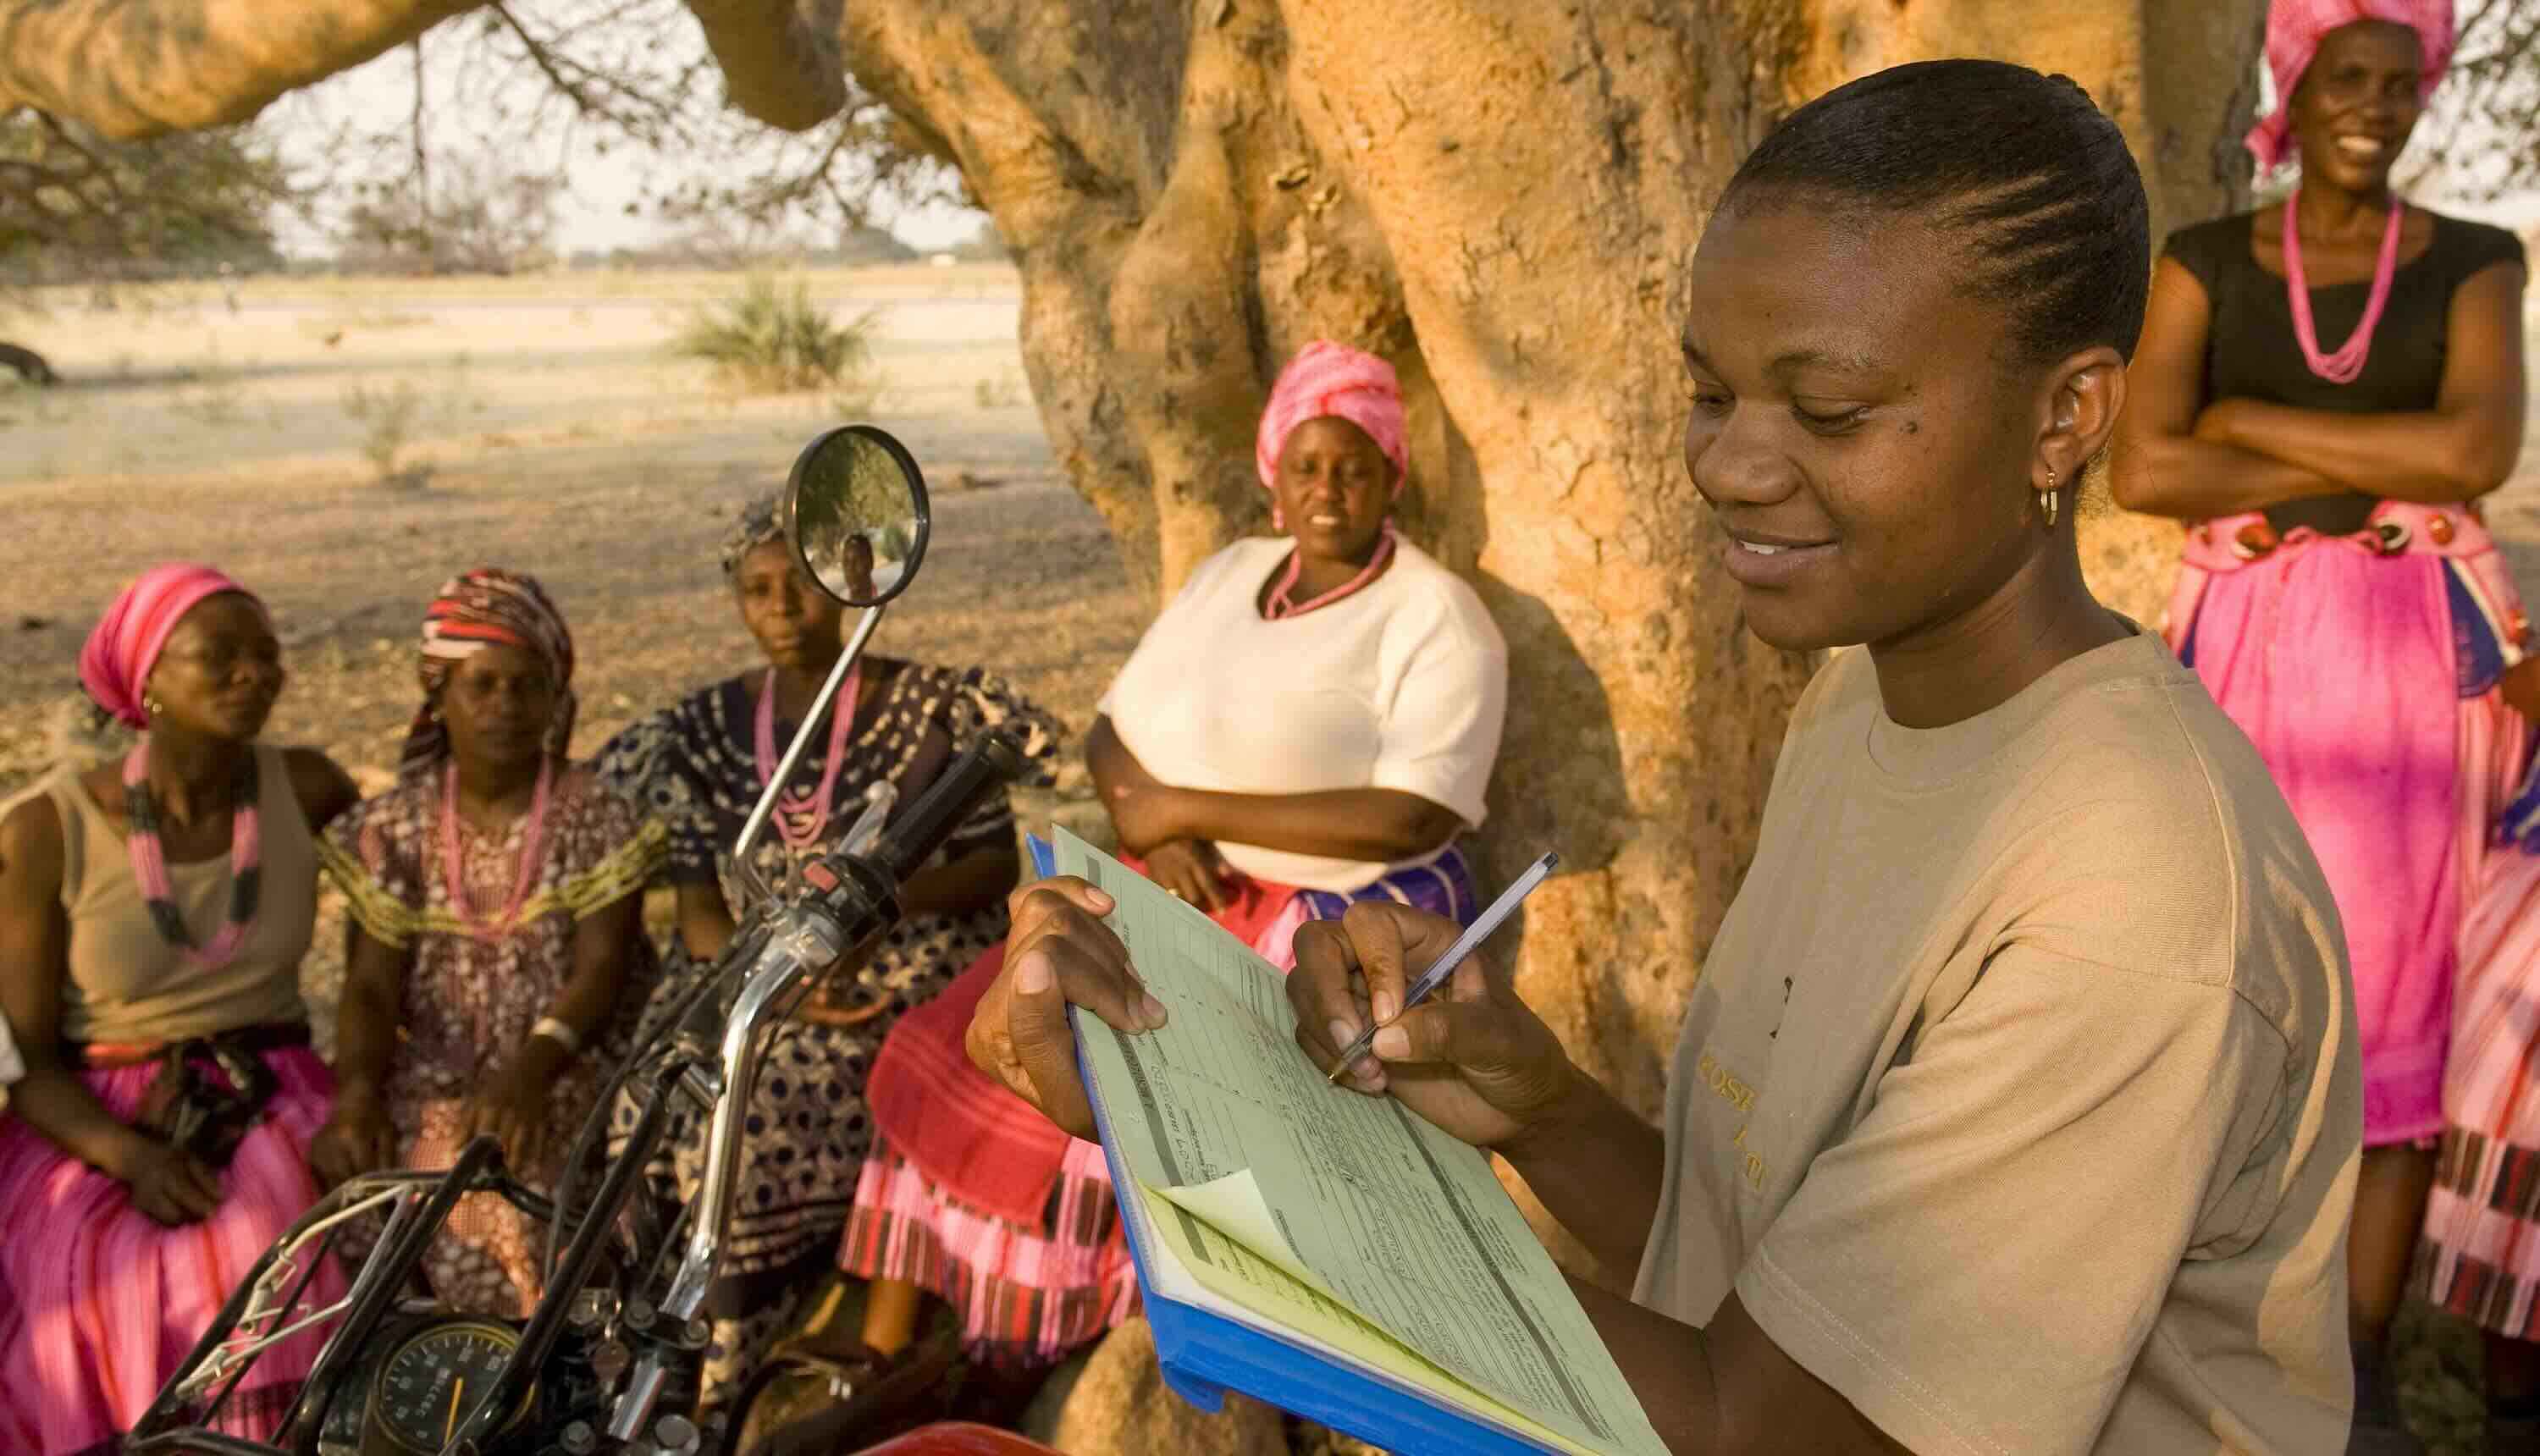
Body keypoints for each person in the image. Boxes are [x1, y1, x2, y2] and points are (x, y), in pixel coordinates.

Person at [967, 59, 2367, 1456]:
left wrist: (1201, 1149)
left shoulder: (2134, 901)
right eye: (1711, 394)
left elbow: (1756, 1422)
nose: (1732, 466)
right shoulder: (1858, 708)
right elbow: (1770, 1296)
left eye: (1828, 413)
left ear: (2063, 418)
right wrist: (1540, 1106)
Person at [827, 340, 1510, 1399]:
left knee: (1122, 1087)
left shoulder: (1435, 614)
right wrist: (1156, 831)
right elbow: (1113, 727)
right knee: (966, 1034)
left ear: (1392, 477)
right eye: (1309, 463)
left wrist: (1180, 806)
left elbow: (1416, 805)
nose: (1329, 488)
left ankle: (1027, 1359)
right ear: (1274, 467)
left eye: (1356, 466)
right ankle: (883, 1351)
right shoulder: (1233, 571)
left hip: (1330, 903)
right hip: (1183, 876)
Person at [2109, 4, 2527, 1442]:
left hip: (2411, 667)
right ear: (2297, 81)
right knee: (2224, 976)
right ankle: (2202, 1338)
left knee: (2395, 1010)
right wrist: (2368, 454)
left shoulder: (2478, 259)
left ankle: (2352, 1370)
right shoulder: (2203, 262)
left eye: (2397, 81)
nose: (2372, 103)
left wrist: (2256, 428)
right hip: (2240, 657)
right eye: (2344, 76)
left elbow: (2475, 449)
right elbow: (2144, 465)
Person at [593, 494, 1057, 1415]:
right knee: (651, 1098)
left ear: (848, 585)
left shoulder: (933, 705)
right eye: (757, 590)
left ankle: (726, 1372)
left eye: (800, 587)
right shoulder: (702, 728)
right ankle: (631, 1350)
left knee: (753, 1113)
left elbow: (987, 865)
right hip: (753, 974)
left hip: (895, 969)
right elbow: (695, 904)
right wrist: (772, 981)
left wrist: (865, 917)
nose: (781, 609)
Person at [0, 565, 362, 1453]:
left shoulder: (310, 788)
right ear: (146, 677)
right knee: (92, 1278)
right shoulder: (48, 830)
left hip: (275, 1089)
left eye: (268, 654)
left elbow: (388, 941)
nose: (255, 673)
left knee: (269, 1254)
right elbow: (28, 1062)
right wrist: (131, 1158)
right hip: (99, 1113)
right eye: (221, 656)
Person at [307, 570, 664, 1317]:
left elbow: (601, 972)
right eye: (483, 686)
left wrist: (527, 1073)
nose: (506, 706)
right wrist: (357, 1097)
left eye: (527, 686)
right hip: (429, 1082)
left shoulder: (597, 813)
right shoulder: (392, 830)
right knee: (357, 1183)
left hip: (563, 1069)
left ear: (553, 697)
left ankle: (513, 1389)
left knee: (502, 1184)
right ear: (438, 694)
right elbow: (370, 988)